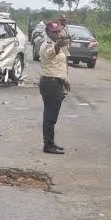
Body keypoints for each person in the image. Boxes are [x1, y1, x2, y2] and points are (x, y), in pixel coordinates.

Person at [39, 21, 71, 155]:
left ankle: (51, 143)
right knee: (50, 116)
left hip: (56, 82)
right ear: (47, 32)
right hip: (50, 83)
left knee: (52, 116)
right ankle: (48, 145)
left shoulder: (57, 45)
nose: (57, 34)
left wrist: (65, 80)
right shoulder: (47, 45)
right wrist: (57, 46)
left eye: (59, 31)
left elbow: (59, 65)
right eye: (54, 32)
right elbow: (49, 55)